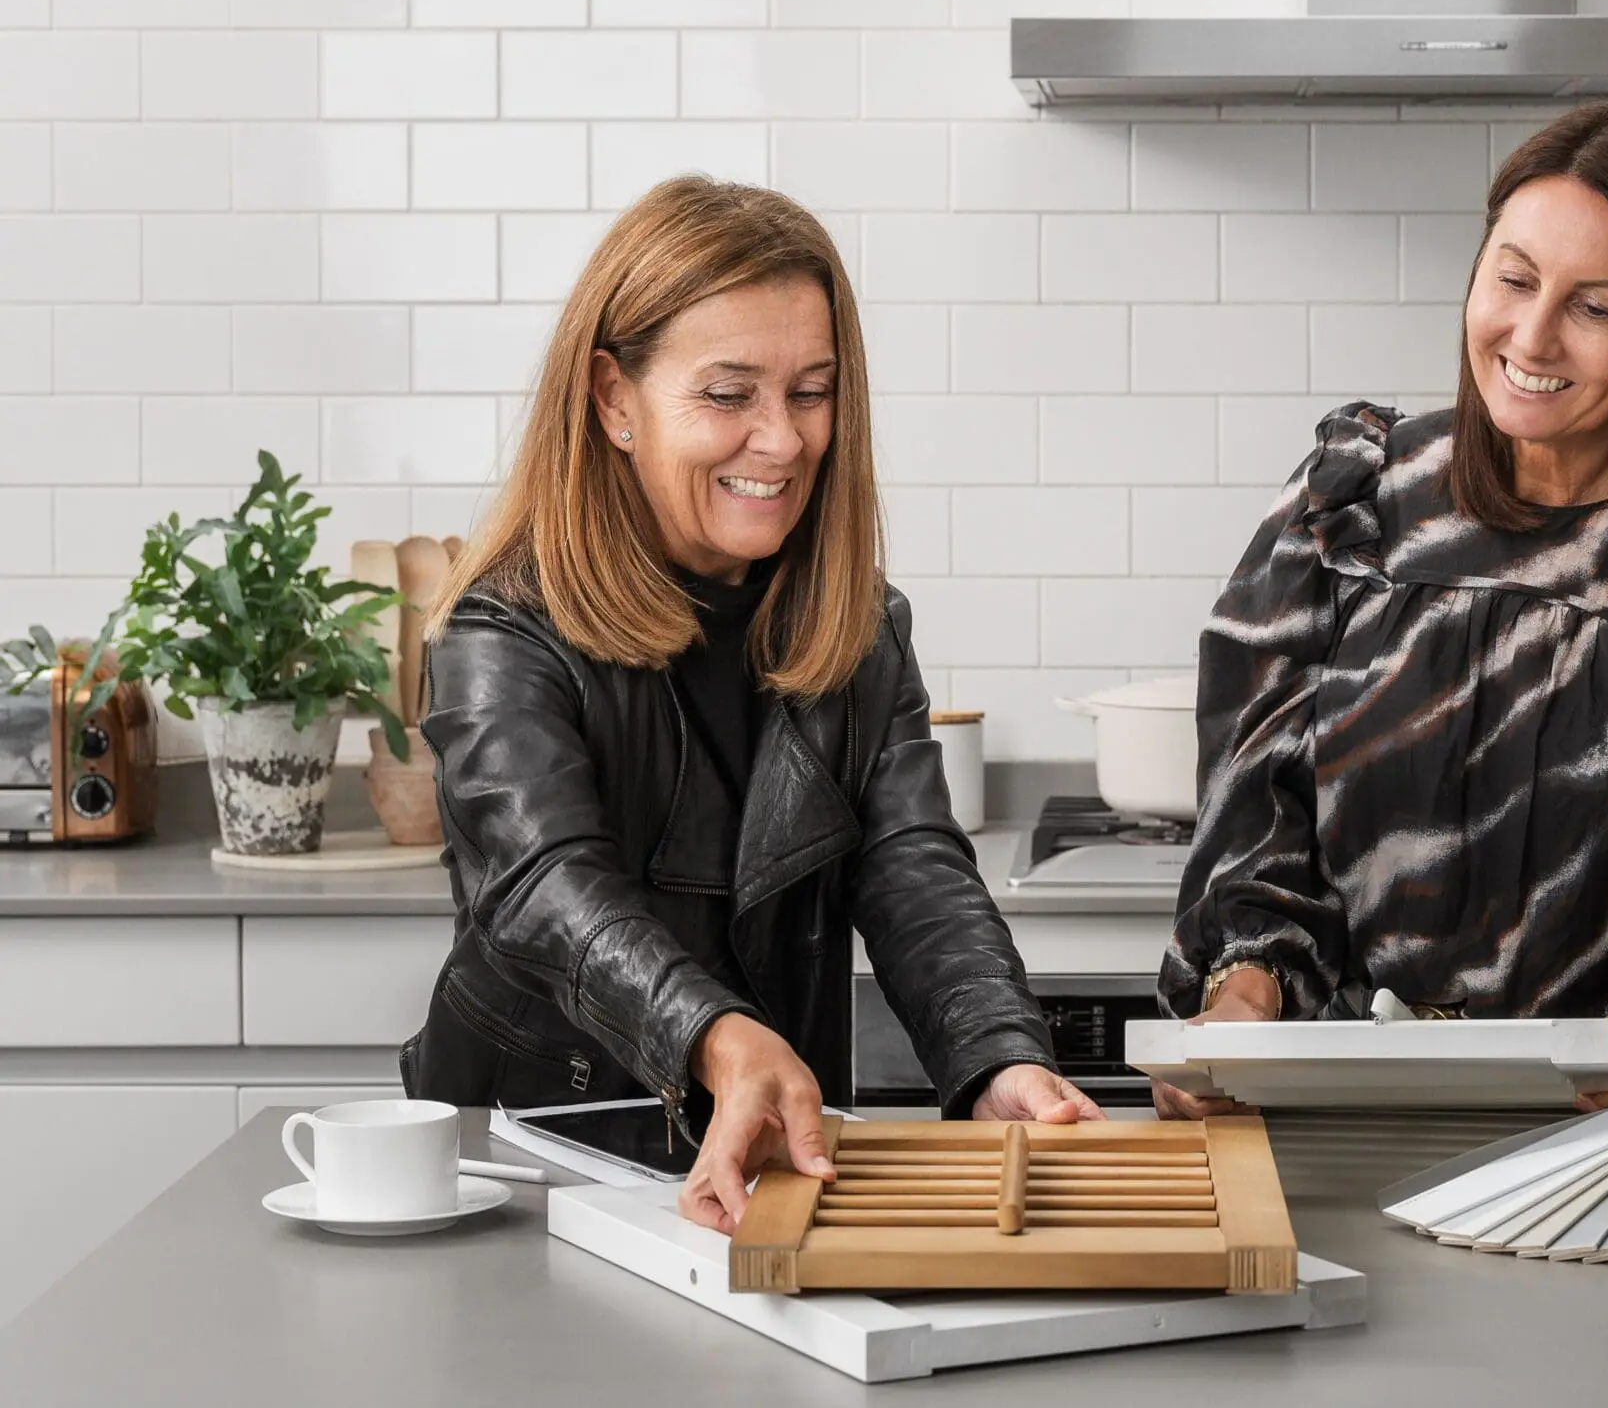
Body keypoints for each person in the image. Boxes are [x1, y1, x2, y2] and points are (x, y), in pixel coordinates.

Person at [1157, 99, 1608, 1119]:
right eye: (1512, 277)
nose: (1530, 335)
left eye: (1595, 306)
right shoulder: (1348, 509)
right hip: (1328, 1130)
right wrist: (1244, 992)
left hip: (1607, 1158)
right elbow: (1256, 846)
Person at [404, 176, 1098, 1234]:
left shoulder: (857, 622)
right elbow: (548, 884)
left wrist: (997, 1054)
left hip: (773, 1165)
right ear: (612, 399)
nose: (780, 441)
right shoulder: (499, 629)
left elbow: (912, 861)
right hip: (533, 1165)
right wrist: (720, 1035)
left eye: (810, 392)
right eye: (729, 395)